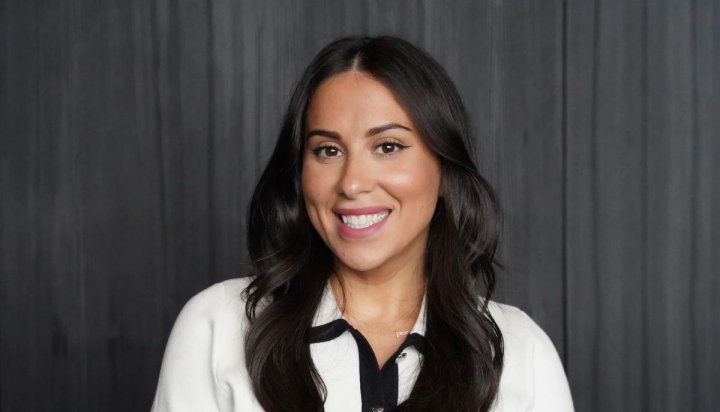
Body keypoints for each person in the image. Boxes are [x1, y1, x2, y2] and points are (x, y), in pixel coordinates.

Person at [150, 35, 574, 412]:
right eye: (327, 150)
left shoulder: (521, 351)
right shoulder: (219, 326)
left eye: (388, 146)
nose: (352, 183)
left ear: (445, 170)